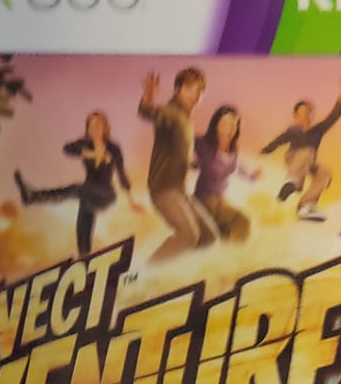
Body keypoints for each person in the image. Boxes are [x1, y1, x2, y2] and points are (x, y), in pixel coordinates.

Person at [14, 110, 143, 259]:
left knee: (77, 188)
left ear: (105, 127)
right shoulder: (85, 144)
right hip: (87, 192)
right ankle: (84, 259)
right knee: (83, 227)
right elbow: (67, 149)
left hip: (106, 194)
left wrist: (131, 201)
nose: (95, 128)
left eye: (99, 124)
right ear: (88, 128)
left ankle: (34, 196)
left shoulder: (113, 148)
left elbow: (122, 174)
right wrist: (89, 153)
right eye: (92, 125)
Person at [138, 67, 215, 258]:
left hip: (180, 191)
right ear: (178, 89)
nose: (195, 95)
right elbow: (149, 113)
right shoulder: (171, 113)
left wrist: (194, 162)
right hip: (164, 190)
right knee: (189, 236)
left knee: (208, 237)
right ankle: (149, 270)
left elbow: (179, 151)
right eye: (189, 89)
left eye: (200, 91)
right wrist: (148, 98)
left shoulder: (186, 120)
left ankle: (179, 269)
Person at [261, 82, 341, 222]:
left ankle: (305, 207)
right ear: (296, 116)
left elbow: (332, 118)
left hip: (309, 160)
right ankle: (291, 182)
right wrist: (265, 150)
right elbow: (279, 140)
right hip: (293, 158)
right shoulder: (294, 130)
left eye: (307, 113)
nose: (304, 116)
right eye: (301, 113)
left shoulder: (318, 129)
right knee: (307, 151)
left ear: (311, 116)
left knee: (325, 173)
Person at [192, 105, 258, 243]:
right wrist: (190, 163)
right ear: (216, 125)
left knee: (230, 231)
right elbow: (181, 148)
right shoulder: (203, 144)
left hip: (221, 201)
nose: (230, 129)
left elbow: (239, 167)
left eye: (234, 125)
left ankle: (223, 250)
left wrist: (252, 176)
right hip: (204, 200)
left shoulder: (233, 152)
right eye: (226, 124)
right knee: (242, 222)